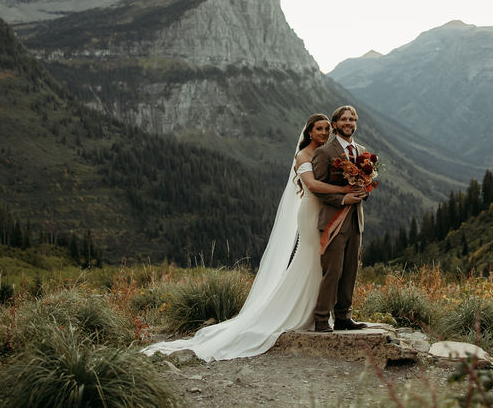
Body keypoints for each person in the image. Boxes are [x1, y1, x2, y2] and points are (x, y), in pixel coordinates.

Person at [142, 113, 357, 361]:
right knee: (310, 260)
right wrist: (344, 189)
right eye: (319, 129)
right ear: (309, 132)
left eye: (327, 129)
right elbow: (312, 185)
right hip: (310, 213)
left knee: (318, 264)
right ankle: (300, 313)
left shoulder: (323, 153)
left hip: (324, 212)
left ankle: (315, 313)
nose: (324, 133)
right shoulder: (304, 155)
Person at [310, 105, 370, 332]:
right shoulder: (324, 153)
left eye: (352, 119)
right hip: (334, 220)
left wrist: (364, 191)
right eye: (344, 119)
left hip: (356, 221)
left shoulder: (362, 151)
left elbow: (364, 181)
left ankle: (344, 317)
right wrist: (343, 199)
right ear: (335, 125)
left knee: (350, 270)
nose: (349, 123)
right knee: (332, 271)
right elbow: (317, 189)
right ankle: (322, 319)